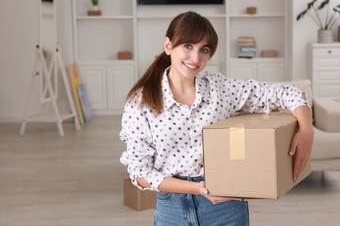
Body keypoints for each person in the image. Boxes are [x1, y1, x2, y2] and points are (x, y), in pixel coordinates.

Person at [119, 11, 314, 225]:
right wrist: (198, 189)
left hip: (225, 208)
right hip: (171, 209)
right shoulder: (141, 101)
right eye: (187, 46)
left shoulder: (220, 90)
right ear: (168, 46)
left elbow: (286, 92)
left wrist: (306, 130)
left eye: (204, 50)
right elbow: (139, 172)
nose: (195, 58)